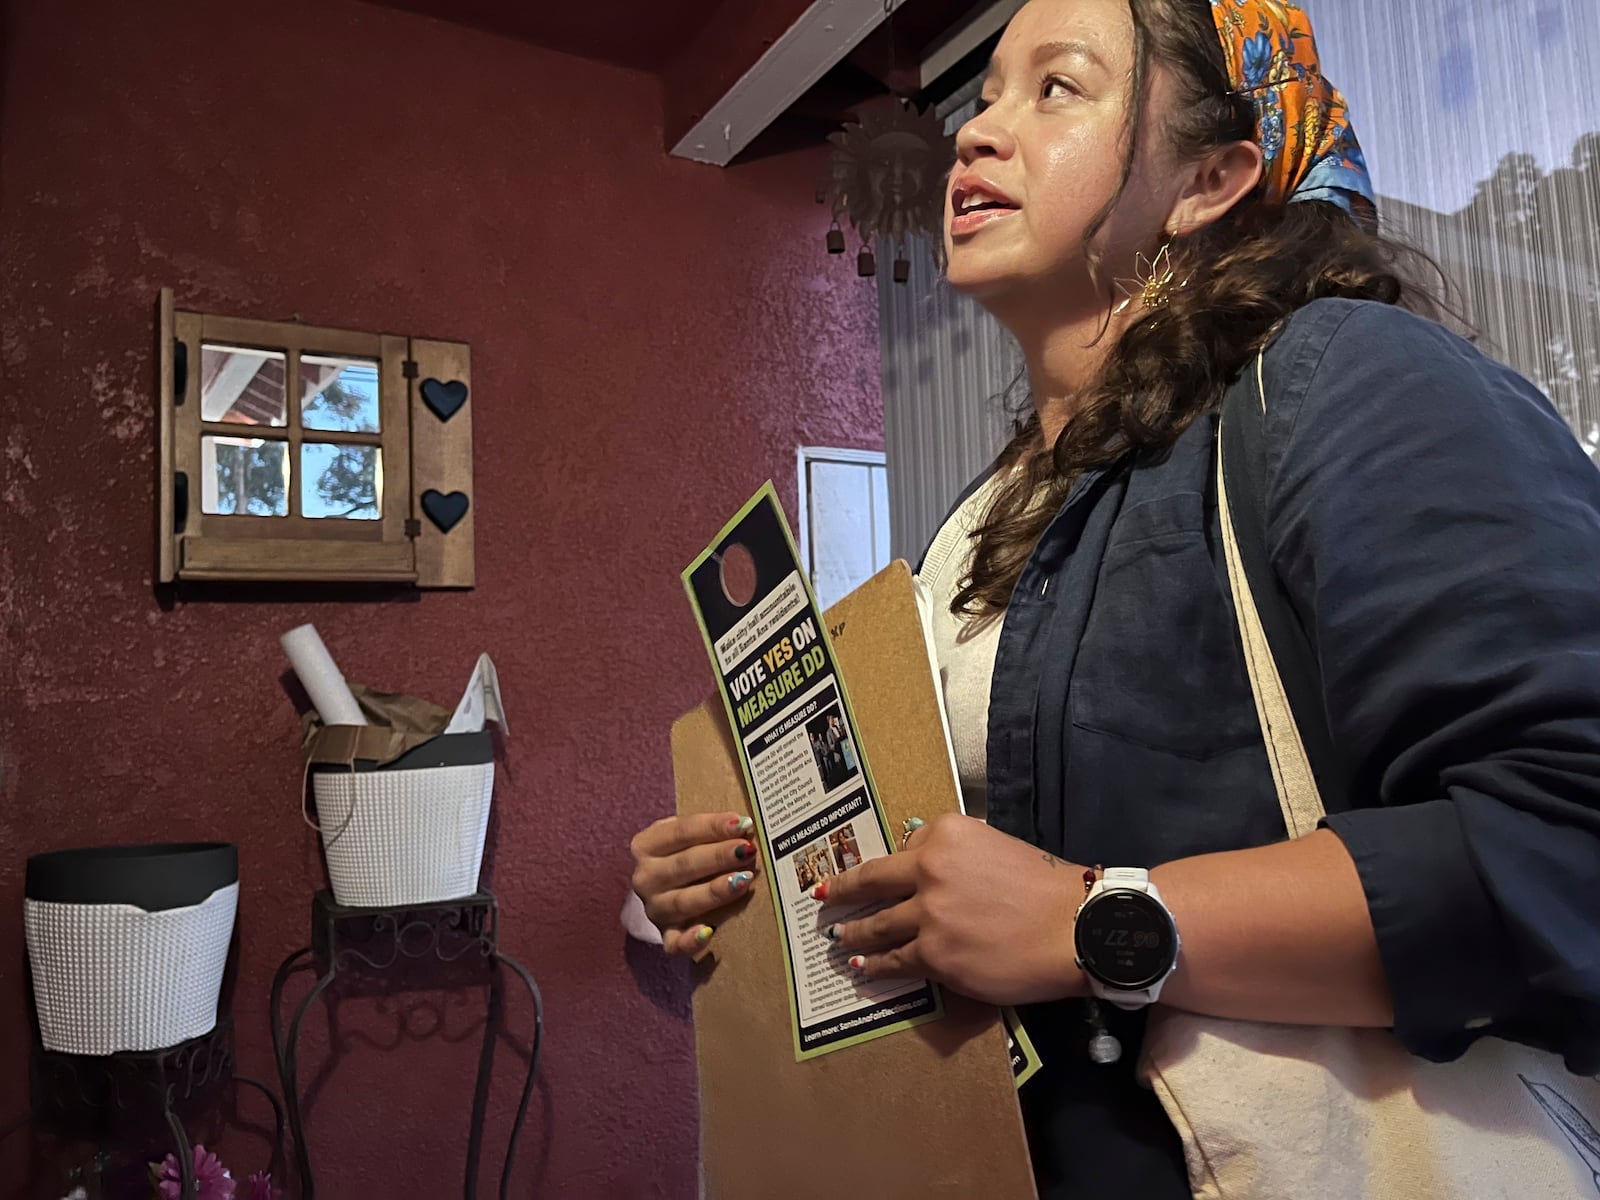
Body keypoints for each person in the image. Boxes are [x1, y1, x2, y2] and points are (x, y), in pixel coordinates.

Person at [627, 0, 1600, 1194]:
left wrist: (1094, 922)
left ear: (1211, 178)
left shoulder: (1342, 379)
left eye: (1057, 88)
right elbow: (953, 884)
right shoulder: (975, 527)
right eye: (982, 96)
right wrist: (767, 872)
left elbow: (1565, 846)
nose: (975, 136)